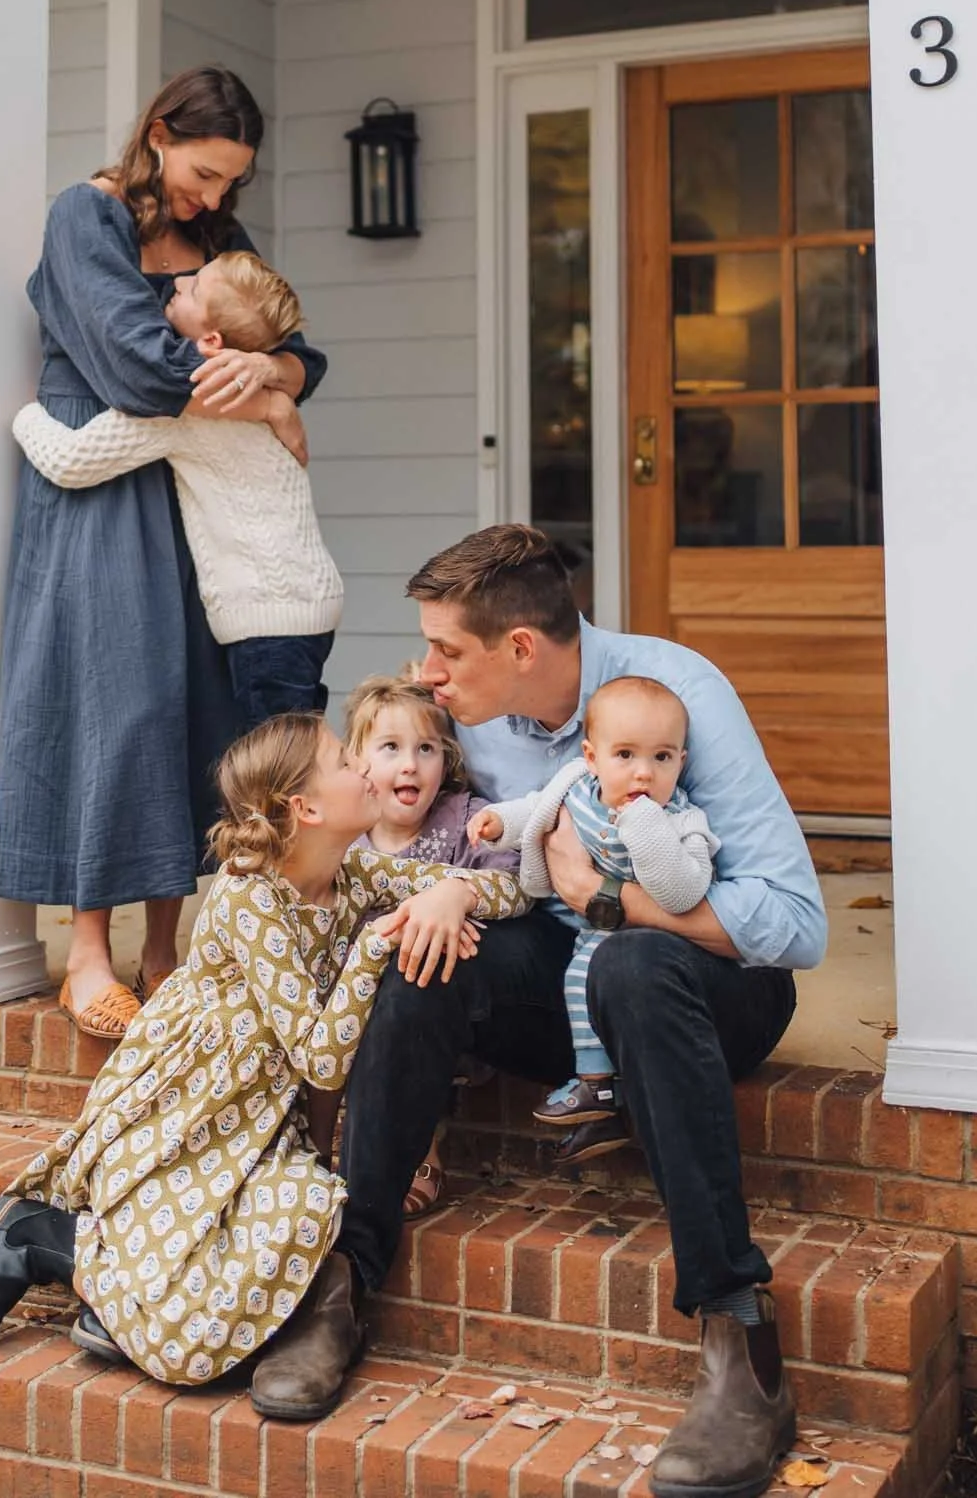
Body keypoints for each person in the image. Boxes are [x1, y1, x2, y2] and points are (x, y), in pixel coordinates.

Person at [251, 524, 825, 1498]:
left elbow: (795, 925)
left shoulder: (674, 694)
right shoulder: (468, 719)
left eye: (448, 650)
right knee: (423, 948)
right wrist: (452, 893)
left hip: (704, 985)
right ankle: (344, 1275)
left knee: (636, 967)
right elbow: (463, 857)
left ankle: (740, 1339)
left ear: (521, 649)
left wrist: (616, 902)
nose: (429, 672)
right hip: (567, 982)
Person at [0, 711, 525, 1413]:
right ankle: (43, 1237)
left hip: (261, 1116)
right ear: (304, 808)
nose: (366, 769)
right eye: (347, 761)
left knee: (309, 1211)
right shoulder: (250, 894)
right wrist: (373, 951)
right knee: (200, 1250)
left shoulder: (353, 870)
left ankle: (116, 1301)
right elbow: (319, 1058)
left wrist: (450, 893)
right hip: (186, 1109)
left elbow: (510, 891)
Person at [0, 67, 327, 1044]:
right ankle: (88, 951)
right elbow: (137, 365)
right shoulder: (86, 218)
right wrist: (264, 393)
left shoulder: (220, 239)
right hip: (102, 488)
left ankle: (164, 948)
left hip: (195, 494)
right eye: (206, 172)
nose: (216, 198)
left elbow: (305, 347)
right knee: (118, 706)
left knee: (198, 708)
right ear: (160, 132)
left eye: (233, 183)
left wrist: (274, 372)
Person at [12, 246, 343, 728]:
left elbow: (71, 461)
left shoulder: (188, 405)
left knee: (279, 772)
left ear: (210, 339)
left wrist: (21, 413)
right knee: (293, 752)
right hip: (302, 604)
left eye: (193, 288)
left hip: (268, 618)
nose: (178, 282)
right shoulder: (252, 391)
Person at [467, 673, 717, 1148]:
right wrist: (502, 822)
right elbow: (537, 809)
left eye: (661, 758)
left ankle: (596, 1083)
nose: (643, 773)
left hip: (640, 942)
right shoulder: (577, 789)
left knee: (586, 975)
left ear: (680, 763)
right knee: (558, 970)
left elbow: (682, 892)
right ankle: (602, 1108)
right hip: (575, 923)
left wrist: (644, 823)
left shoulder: (681, 822)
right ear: (591, 758)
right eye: (625, 755)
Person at [347, 671, 518, 1218]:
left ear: (445, 760)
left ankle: (424, 1142)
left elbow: (516, 886)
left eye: (426, 749)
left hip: (431, 997)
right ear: (357, 760)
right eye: (391, 747)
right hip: (346, 1000)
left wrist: (456, 890)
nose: (410, 764)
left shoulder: (465, 820)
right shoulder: (345, 830)